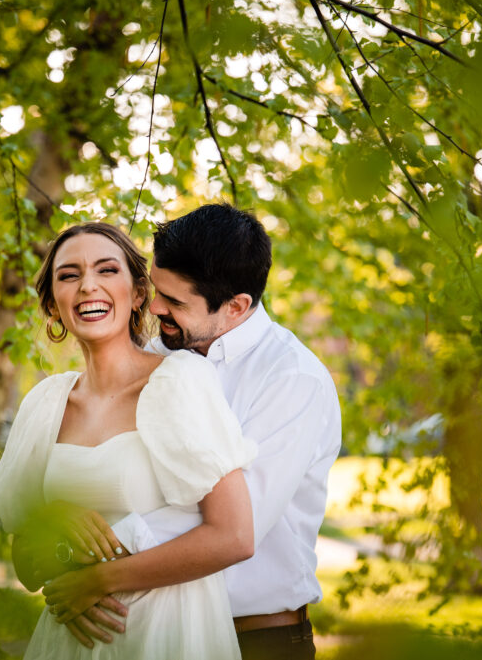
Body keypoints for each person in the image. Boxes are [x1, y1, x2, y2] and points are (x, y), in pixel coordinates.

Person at [64, 204, 342, 659]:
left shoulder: (292, 381)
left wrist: (96, 567)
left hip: (254, 640)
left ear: (236, 307)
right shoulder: (157, 356)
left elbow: (232, 527)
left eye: (175, 302)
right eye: (156, 291)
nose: (154, 308)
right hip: (148, 635)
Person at [0, 221, 257, 659]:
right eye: (69, 276)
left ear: (139, 294)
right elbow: (27, 569)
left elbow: (234, 536)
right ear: (53, 305)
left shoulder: (179, 381)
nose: (88, 286)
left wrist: (96, 580)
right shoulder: (45, 404)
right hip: (69, 640)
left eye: (107, 270)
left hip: (167, 635)